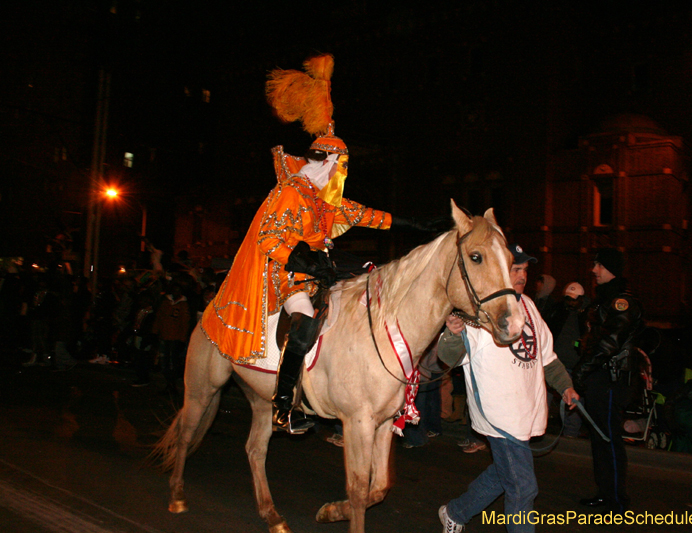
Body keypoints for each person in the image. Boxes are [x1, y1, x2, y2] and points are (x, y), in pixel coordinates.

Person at [200, 55, 428, 434]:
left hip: (323, 271)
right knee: (305, 320)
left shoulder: (326, 202)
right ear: (324, 162)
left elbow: (369, 215)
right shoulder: (292, 193)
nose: (342, 173)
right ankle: (284, 404)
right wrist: (303, 262)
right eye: (339, 165)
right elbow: (269, 239)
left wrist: (418, 224)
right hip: (288, 274)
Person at [437, 243, 580, 533]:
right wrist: (452, 336)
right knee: (523, 487)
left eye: (526, 270)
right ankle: (457, 513)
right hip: (499, 414)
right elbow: (451, 357)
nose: (522, 275)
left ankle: (455, 512)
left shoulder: (528, 305)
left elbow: (546, 357)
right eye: (516, 269)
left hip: (525, 412)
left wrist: (565, 387)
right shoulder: (479, 309)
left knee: (506, 476)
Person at [572, 248, 644, 514]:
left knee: (609, 438)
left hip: (610, 377)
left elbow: (610, 343)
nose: (594, 270)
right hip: (600, 376)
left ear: (611, 268)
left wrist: (583, 369)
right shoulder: (605, 300)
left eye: (599, 265)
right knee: (599, 438)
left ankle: (617, 500)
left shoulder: (623, 302)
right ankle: (606, 492)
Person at [544, 282, 587, 437]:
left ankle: (571, 434)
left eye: (574, 299)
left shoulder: (587, 315)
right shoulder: (556, 312)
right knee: (544, 398)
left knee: (573, 400)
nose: (571, 302)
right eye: (568, 299)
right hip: (554, 364)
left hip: (575, 366)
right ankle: (539, 428)